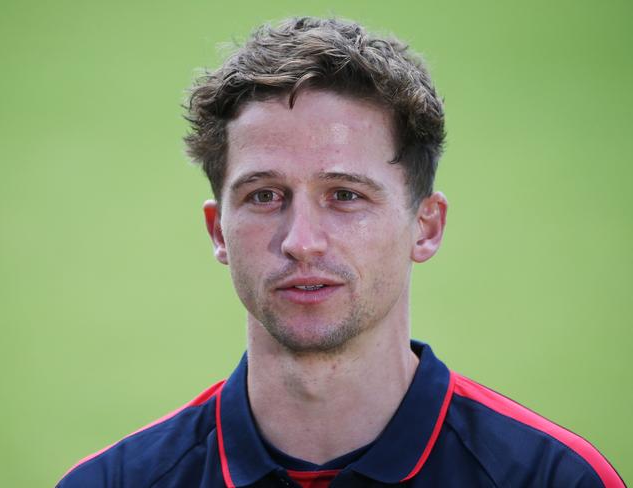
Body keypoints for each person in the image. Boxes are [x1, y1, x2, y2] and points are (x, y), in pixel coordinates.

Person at [57, 17, 624, 488]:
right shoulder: (112, 483)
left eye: (345, 195)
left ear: (425, 226)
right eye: (264, 196)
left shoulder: (555, 477)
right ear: (218, 232)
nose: (301, 241)